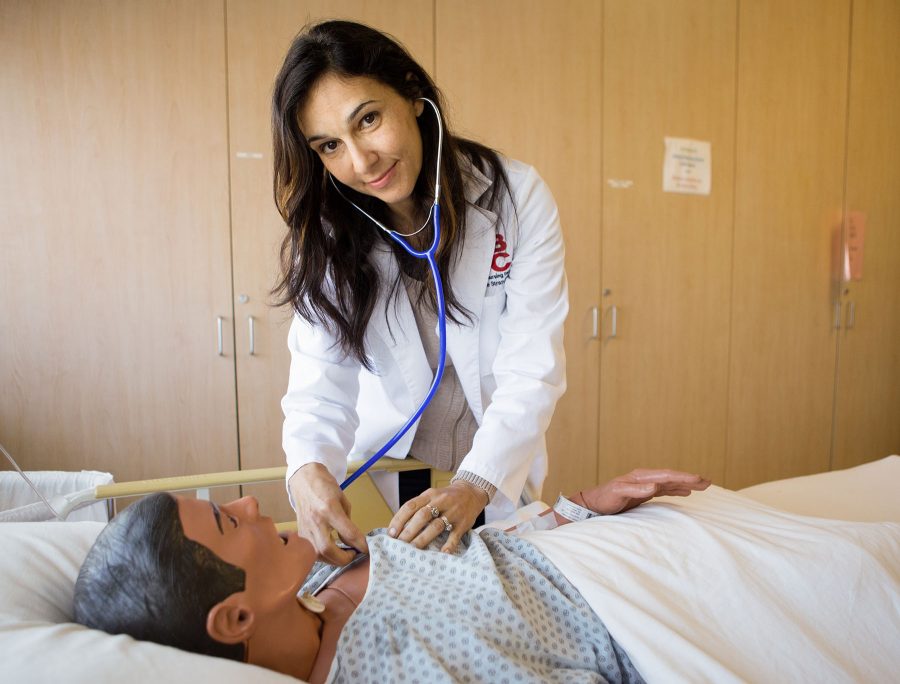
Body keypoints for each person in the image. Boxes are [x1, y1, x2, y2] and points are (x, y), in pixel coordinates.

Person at [271, 20, 569, 566]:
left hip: (491, 471)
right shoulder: (331, 239)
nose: (361, 162)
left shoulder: (515, 198)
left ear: (412, 93)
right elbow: (318, 390)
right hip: (390, 476)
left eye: (369, 119)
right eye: (331, 145)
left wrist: (476, 482)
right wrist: (307, 471)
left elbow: (532, 368)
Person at [73, 469, 710, 683]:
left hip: (612, 537)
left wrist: (582, 507)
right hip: (658, 609)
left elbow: (486, 548)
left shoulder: (320, 581)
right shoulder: (392, 670)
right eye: (226, 522)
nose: (247, 504)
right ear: (237, 615)